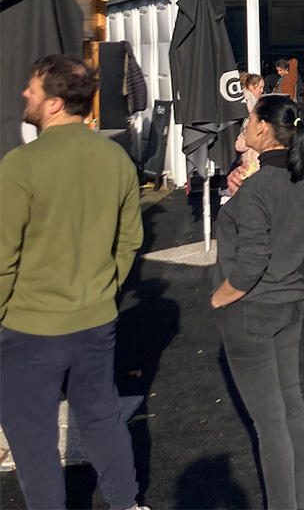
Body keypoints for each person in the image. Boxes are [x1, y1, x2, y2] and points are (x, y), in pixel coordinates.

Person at [0, 55, 147, 510]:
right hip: (96, 320)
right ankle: (127, 505)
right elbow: (129, 243)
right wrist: (105, 291)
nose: (25, 93)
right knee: (102, 419)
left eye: (34, 89)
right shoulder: (117, 158)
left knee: (32, 439)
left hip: (30, 328)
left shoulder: (19, 165)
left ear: (55, 104)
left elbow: (2, 257)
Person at [211, 95, 304, 510]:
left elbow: (251, 261)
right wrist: (240, 189)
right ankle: (300, 503)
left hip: (253, 308)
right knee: (292, 410)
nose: (246, 125)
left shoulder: (258, 187)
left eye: (251, 119)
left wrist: (220, 295)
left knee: (270, 425)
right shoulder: (295, 178)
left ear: (264, 128)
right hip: (289, 301)